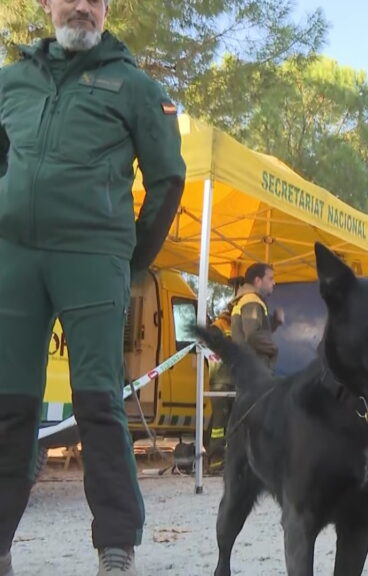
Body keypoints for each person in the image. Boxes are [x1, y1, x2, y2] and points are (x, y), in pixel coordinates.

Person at [0, 0, 186, 573]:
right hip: (14, 259)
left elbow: (168, 177)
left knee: (98, 401)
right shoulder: (10, 82)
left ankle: (116, 546)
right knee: (8, 406)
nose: (81, 5)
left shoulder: (133, 84)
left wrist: (130, 258)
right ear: (46, 6)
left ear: (105, 10)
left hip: (94, 255)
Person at [205, 264, 283, 472]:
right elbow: (252, 335)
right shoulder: (251, 301)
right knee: (245, 417)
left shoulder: (244, 302)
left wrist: (273, 323)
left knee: (238, 418)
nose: (274, 283)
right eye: (271, 278)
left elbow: (254, 332)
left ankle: (230, 461)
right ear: (257, 281)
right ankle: (229, 461)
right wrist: (274, 349)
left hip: (240, 370)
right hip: (246, 371)